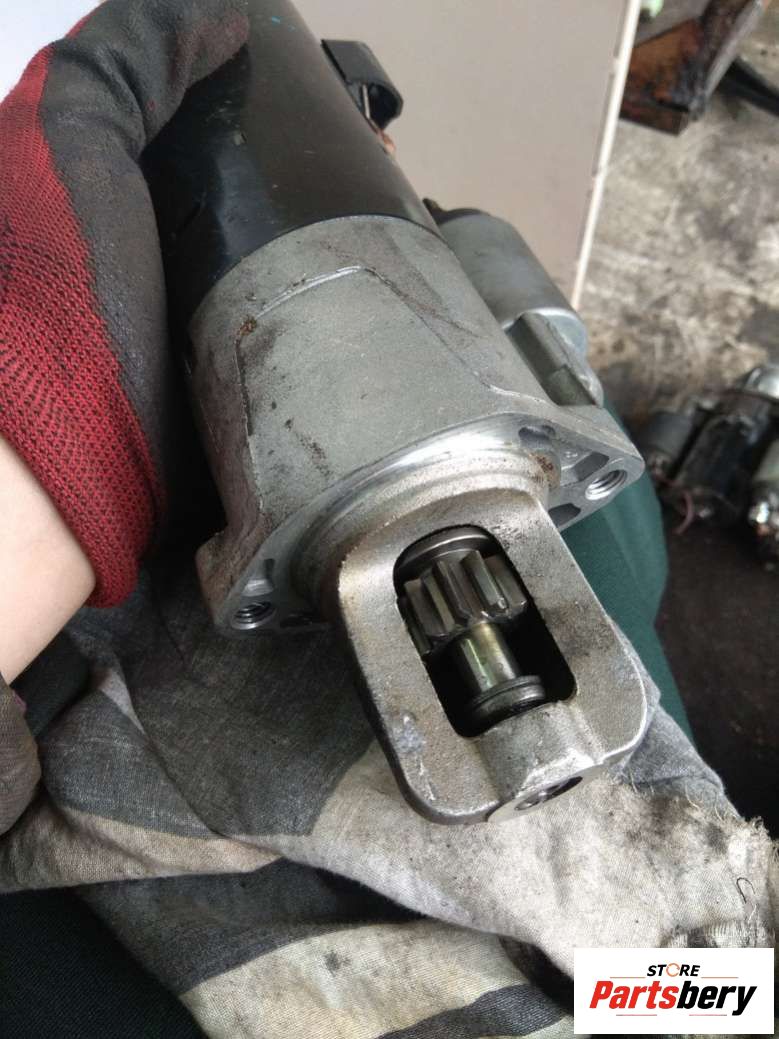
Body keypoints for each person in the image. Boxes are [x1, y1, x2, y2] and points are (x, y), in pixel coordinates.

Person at [0, 2, 775, 1036]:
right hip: (690, 978)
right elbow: (715, 999)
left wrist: (21, 506)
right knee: (618, 544)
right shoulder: (706, 980)